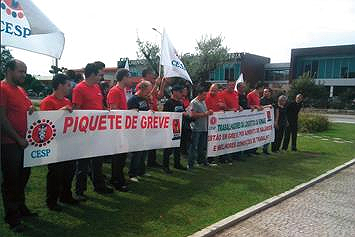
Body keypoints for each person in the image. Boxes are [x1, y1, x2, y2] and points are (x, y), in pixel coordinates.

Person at [0, 59, 37, 232]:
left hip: (24, 143)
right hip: (9, 144)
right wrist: (17, 138)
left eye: (25, 71)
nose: (24, 74)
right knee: (11, 181)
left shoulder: (21, 90)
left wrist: (30, 109)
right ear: (9, 70)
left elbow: (26, 108)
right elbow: (2, 119)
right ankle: (12, 218)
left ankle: (21, 208)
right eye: (20, 71)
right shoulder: (2, 89)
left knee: (23, 178)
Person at [72, 63, 113, 201]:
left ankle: (99, 185)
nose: (101, 77)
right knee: (83, 163)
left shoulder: (97, 87)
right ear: (92, 74)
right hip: (84, 132)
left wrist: (104, 110)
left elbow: (99, 104)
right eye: (99, 74)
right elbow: (76, 110)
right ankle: (79, 191)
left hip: (97, 131)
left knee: (97, 161)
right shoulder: (79, 89)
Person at [40, 74, 79, 211]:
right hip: (55, 143)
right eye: (68, 85)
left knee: (69, 170)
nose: (70, 88)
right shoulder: (47, 101)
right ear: (60, 85)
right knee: (55, 173)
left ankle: (66, 195)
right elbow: (45, 123)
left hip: (67, 142)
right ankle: (52, 200)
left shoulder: (67, 101)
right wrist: (59, 112)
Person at [107, 69, 131, 192]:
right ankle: (116, 179)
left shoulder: (122, 91)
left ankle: (119, 177)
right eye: (129, 77)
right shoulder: (115, 91)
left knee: (122, 156)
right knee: (118, 156)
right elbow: (114, 110)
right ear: (123, 78)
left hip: (123, 127)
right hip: (117, 129)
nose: (130, 79)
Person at [127, 81, 152, 182]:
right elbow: (131, 113)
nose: (149, 93)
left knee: (143, 151)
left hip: (144, 128)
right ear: (142, 89)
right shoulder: (133, 99)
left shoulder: (144, 99)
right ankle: (132, 173)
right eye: (147, 90)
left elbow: (145, 110)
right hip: (136, 130)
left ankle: (141, 170)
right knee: (136, 152)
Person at [162, 85, 189, 174]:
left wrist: (185, 114)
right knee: (168, 148)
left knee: (178, 147)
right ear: (174, 92)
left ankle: (177, 163)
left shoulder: (180, 103)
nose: (181, 94)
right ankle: (165, 166)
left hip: (179, 127)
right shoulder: (169, 103)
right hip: (170, 128)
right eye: (180, 92)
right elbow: (166, 115)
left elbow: (184, 112)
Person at [140, 68, 163, 168]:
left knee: (153, 139)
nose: (153, 76)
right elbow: (146, 95)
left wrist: (162, 85)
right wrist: (156, 85)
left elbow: (159, 96)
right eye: (151, 74)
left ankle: (152, 160)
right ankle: (143, 163)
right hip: (146, 115)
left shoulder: (152, 85)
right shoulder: (142, 85)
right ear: (147, 75)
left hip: (153, 114)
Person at [187, 85, 214, 169]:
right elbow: (192, 115)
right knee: (194, 147)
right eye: (204, 95)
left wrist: (208, 112)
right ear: (199, 94)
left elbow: (204, 112)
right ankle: (191, 163)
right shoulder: (194, 102)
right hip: (196, 128)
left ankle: (202, 161)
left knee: (202, 146)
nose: (205, 97)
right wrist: (205, 114)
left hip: (203, 127)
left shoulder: (203, 102)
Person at [247, 82, 264, 155]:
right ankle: (248, 151)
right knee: (250, 134)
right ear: (259, 87)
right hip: (251, 116)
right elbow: (248, 105)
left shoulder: (258, 95)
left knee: (255, 133)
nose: (263, 89)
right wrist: (255, 106)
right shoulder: (250, 94)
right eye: (262, 88)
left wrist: (260, 106)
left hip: (256, 117)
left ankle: (254, 149)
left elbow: (257, 104)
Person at [260, 88, 274, 155]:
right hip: (262, 120)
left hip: (269, 120)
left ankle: (265, 149)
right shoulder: (261, 99)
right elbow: (260, 107)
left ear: (269, 93)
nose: (265, 93)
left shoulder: (271, 100)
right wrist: (267, 106)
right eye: (264, 92)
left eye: (266, 92)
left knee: (268, 134)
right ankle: (260, 148)